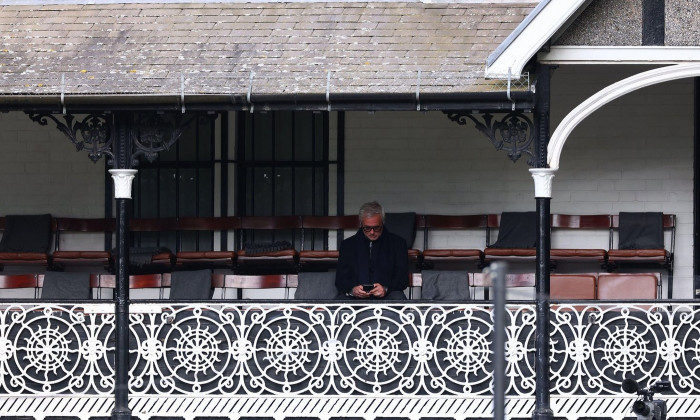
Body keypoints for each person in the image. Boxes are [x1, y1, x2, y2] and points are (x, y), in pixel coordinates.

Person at [335, 201, 409, 299]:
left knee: (398, 298)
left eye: (376, 228)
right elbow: (340, 279)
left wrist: (386, 288)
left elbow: (402, 278)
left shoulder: (398, 244)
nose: (372, 232)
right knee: (339, 302)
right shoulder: (347, 245)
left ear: (383, 223)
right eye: (367, 228)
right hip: (355, 298)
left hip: (387, 296)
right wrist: (353, 290)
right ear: (361, 224)